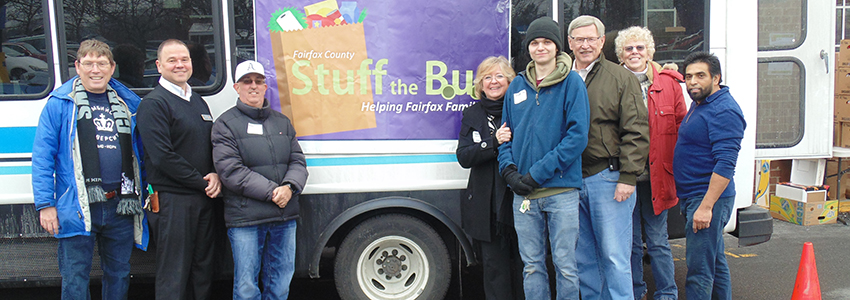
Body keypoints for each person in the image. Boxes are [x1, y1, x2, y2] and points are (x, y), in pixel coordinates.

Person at [32, 38, 147, 299]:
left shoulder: (129, 104)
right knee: (75, 278)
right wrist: (45, 205)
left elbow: (141, 153)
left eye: (102, 63)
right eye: (89, 63)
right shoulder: (60, 104)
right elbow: (42, 158)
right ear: (77, 66)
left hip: (121, 206)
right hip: (76, 206)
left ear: (112, 67)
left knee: (118, 275)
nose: (96, 69)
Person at [497, 17, 590, 299]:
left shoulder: (572, 83)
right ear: (529, 48)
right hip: (524, 194)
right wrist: (509, 172)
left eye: (546, 42)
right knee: (532, 267)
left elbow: (577, 138)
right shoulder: (516, 86)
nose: (540, 48)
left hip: (561, 191)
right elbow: (504, 135)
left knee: (566, 266)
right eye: (535, 43)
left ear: (557, 47)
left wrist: (537, 173)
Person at [568, 15, 649, 300]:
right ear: (570, 43)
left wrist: (628, 177)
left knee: (614, 256)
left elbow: (636, 130)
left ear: (602, 41)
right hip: (570, 181)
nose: (585, 45)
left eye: (591, 39)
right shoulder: (561, 77)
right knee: (584, 259)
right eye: (579, 39)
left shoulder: (620, 77)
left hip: (609, 179)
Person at [211, 60, 308, 299]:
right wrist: (275, 192)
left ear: (266, 86)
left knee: (281, 283)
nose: (253, 86)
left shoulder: (282, 122)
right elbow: (231, 171)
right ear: (236, 87)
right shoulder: (224, 125)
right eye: (247, 81)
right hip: (246, 219)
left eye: (258, 81)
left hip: (284, 217)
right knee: (246, 287)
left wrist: (289, 187)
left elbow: (298, 161)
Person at [137, 39, 221, 300]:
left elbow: (208, 148)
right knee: (174, 274)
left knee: (203, 271)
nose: (179, 65)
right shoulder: (153, 104)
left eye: (184, 59)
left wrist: (216, 174)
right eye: (172, 60)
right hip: (173, 201)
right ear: (159, 65)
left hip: (203, 200)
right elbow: (162, 157)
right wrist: (202, 182)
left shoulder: (198, 102)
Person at [615, 26, 686, 300]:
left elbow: (682, 127)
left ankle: (667, 293)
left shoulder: (669, 83)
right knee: (630, 243)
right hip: (625, 178)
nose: (634, 53)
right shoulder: (613, 81)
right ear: (621, 53)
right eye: (629, 48)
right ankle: (636, 291)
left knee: (658, 241)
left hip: (659, 177)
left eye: (639, 47)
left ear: (649, 51)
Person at [674, 51, 745, 300]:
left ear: (716, 78)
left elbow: (725, 164)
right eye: (689, 76)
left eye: (700, 76)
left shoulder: (724, 110)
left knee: (699, 270)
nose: (693, 81)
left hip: (707, 198)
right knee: (715, 261)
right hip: (696, 195)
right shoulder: (702, 102)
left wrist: (706, 207)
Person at [456, 56, 523, 300]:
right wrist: (493, 142)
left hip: (519, 201)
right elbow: (464, 156)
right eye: (487, 77)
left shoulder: (521, 108)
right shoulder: (472, 114)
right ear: (480, 84)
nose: (493, 82)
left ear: (510, 80)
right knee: (495, 270)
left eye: (499, 76)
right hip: (487, 209)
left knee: (526, 266)